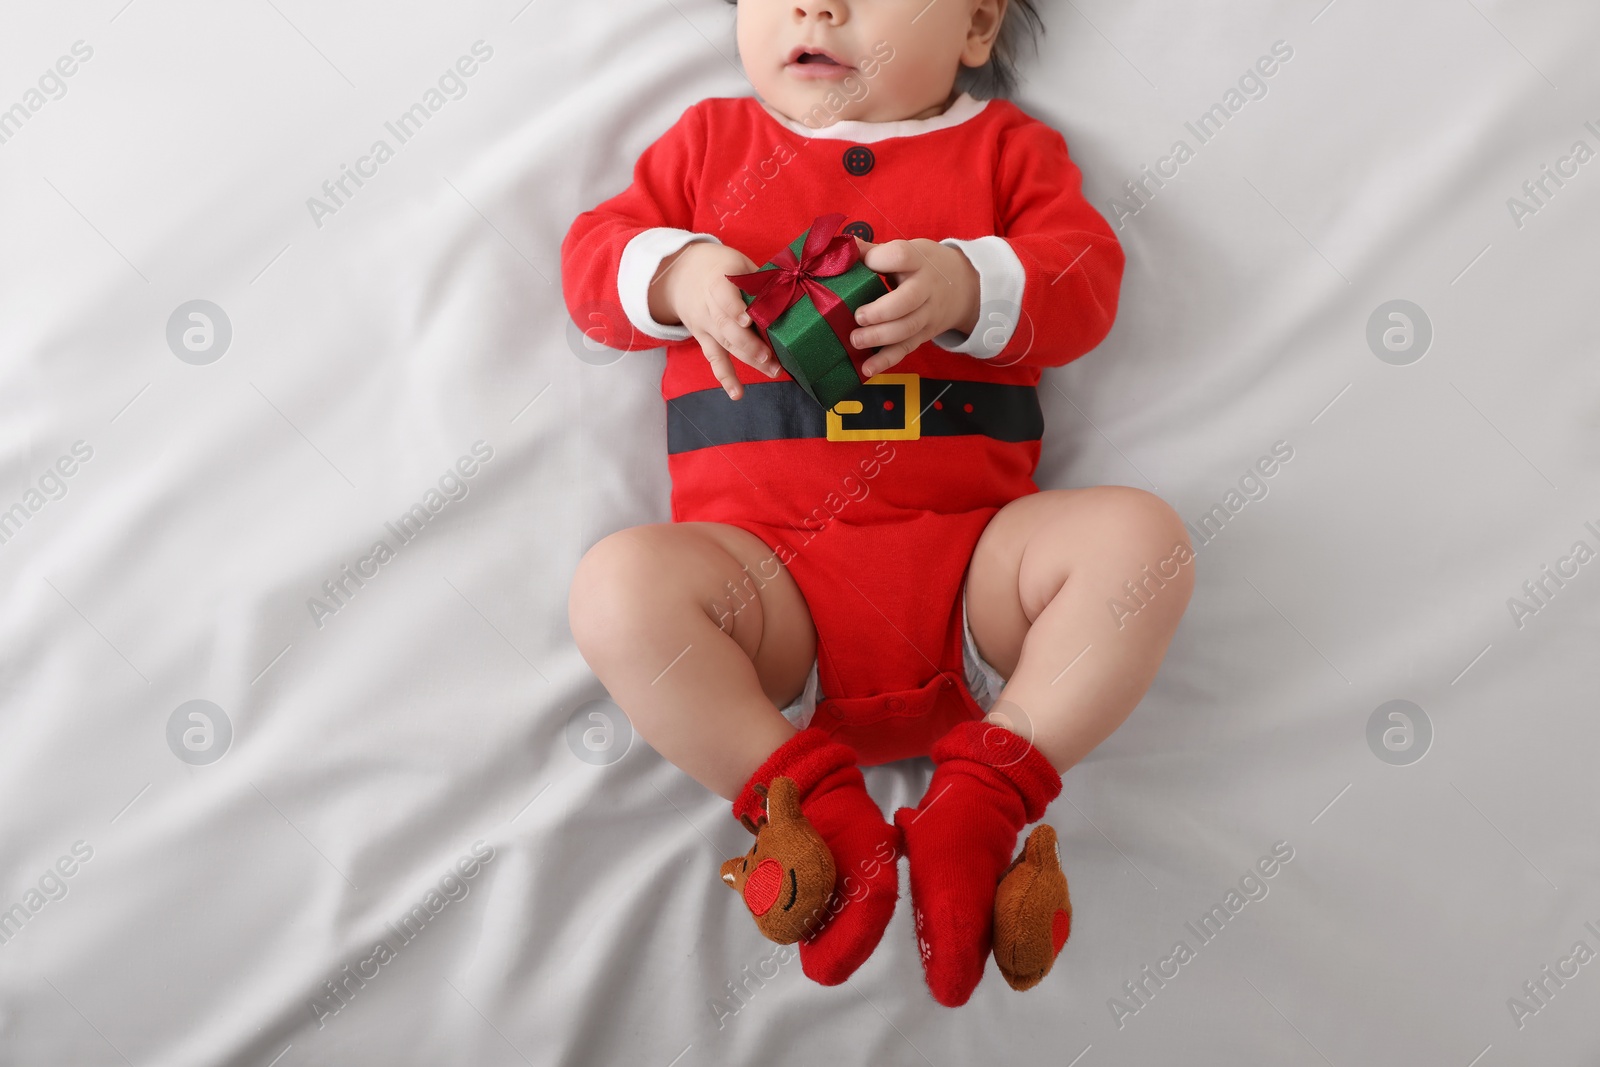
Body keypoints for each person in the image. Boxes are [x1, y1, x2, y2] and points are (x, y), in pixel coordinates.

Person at [561, 0, 1194, 1007]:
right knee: (616, 587)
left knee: (1140, 540)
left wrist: (969, 284)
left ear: (977, 28)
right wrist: (675, 274)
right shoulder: (707, 146)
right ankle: (805, 801)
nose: (818, 7)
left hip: (976, 578)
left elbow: (1083, 281)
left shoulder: (1004, 151)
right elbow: (591, 268)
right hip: (767, 603)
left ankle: (984, 794)